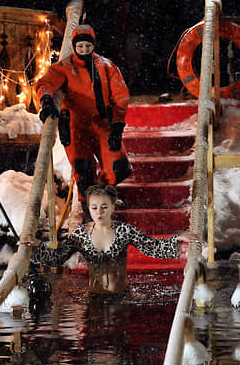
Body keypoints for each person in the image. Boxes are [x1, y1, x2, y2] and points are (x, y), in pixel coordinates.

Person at [20, 185, 197, 297]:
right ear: (88, 209)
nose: (99, 212)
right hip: (94, 297)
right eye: (94, 207)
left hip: (122, 297)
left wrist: (177, 238)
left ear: (113, 207)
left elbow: (152, 247)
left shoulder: (123, 230)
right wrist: (36, 245)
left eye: (104, 207)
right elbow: (57, 257)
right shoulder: (81, 234)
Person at [35, 25, 132, 203]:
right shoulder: (64, 67)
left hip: (102, 123)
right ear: (74, 46)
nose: (84, 50)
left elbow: (121, 96)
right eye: (80, 46)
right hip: (75, 126)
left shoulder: (106, 66)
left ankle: (105, 197)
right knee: (84, 171)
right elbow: (45, 83)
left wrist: (117, 126)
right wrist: (47, 101)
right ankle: (89, 206)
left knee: (119, 166)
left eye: (88, 46)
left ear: (94, 45)